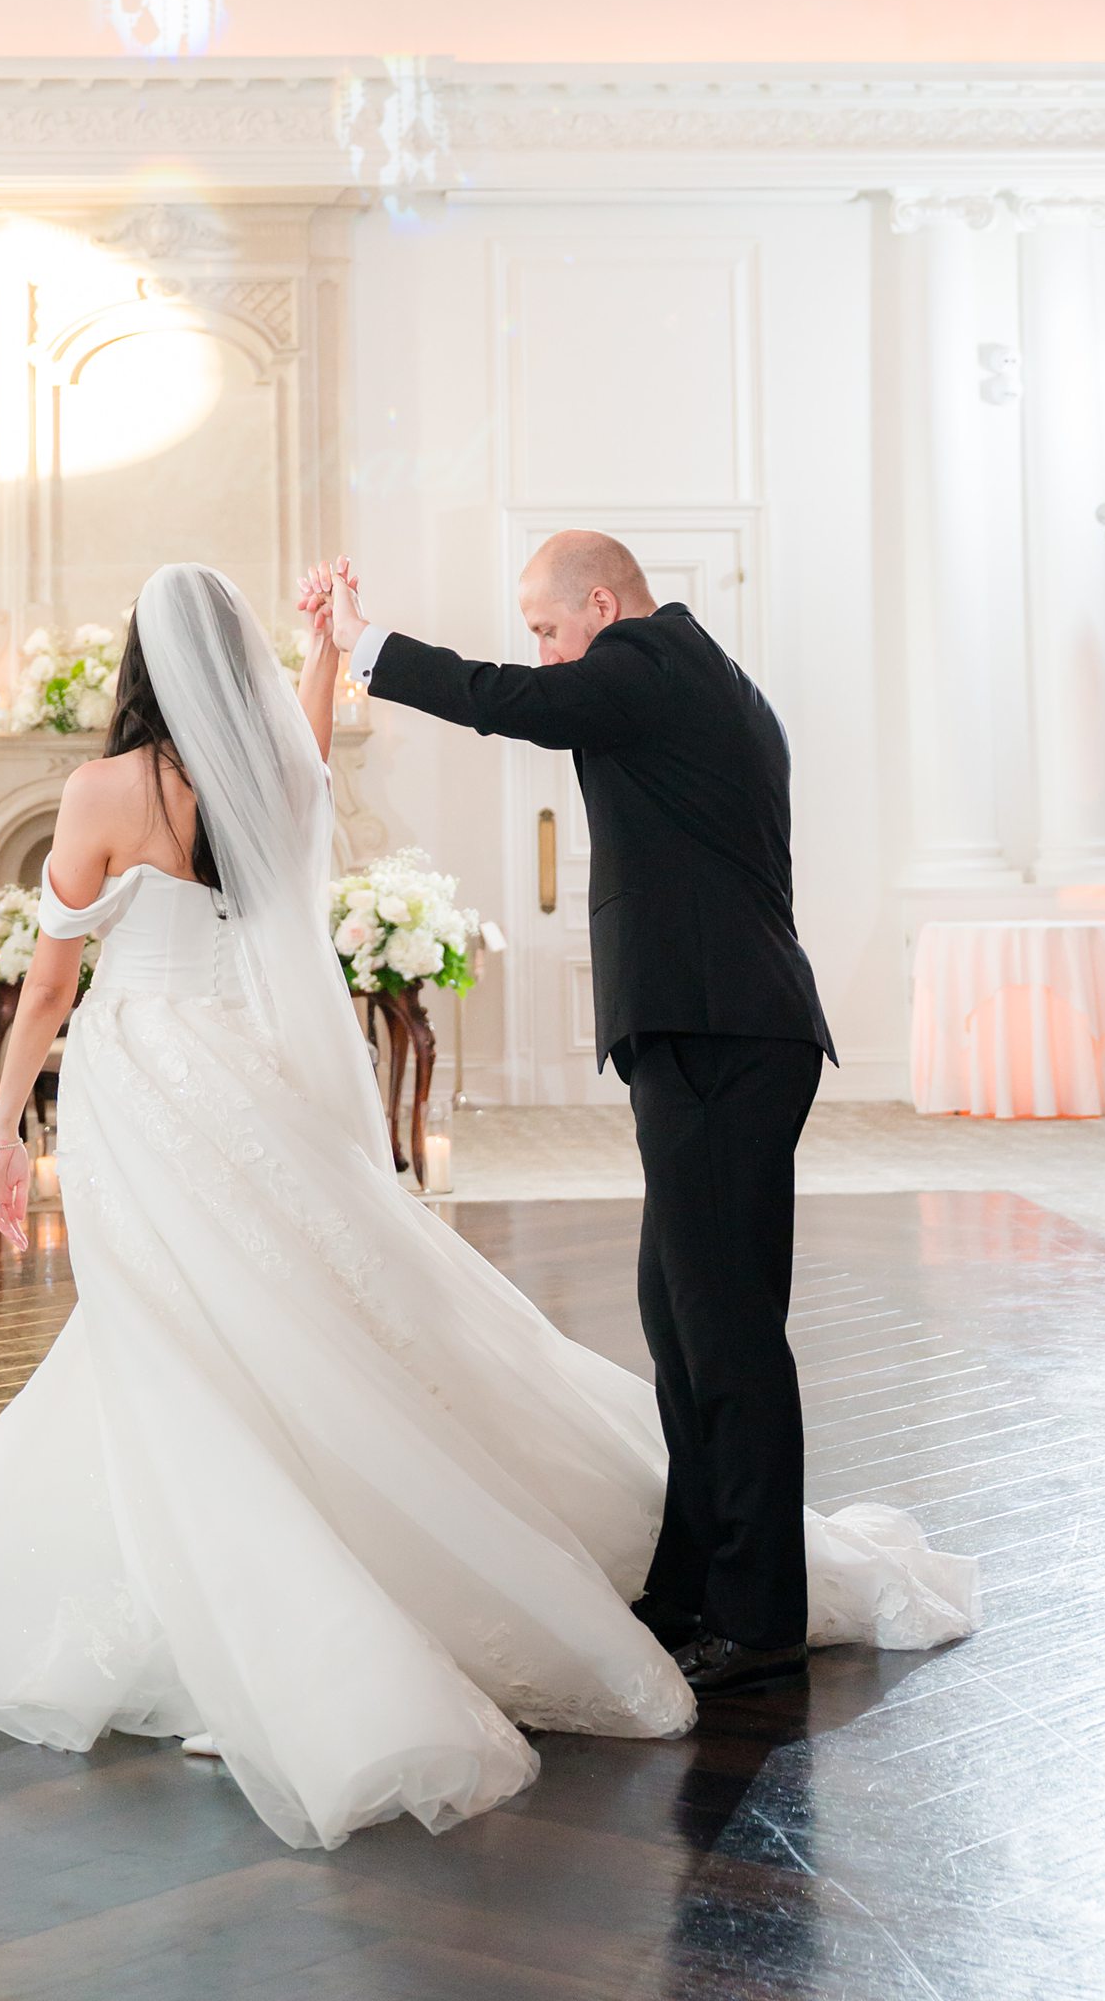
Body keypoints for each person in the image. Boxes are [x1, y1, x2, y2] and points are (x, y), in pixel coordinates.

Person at [0, 560, 697, 1851]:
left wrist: (1, 1127)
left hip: (143, 1077)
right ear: (239, 670)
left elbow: (49, 988)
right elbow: (309, 742)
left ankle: (242, 1625)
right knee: (303, 1308)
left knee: (169, 1335)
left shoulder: (104, 788)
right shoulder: (275, 775)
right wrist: (326, 651)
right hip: (253, 1076)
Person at [326, 534, 844, 1694]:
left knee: (727, 1337)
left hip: (722, 1035)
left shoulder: (652, 660)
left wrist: (365, 646)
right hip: (717, 1032)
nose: (544, 651)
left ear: (601, 606)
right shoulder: (689, 676)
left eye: (550, 627)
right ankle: (691, 1582)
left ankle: (758, 1618)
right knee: (683, 1322)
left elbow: (510, 702)